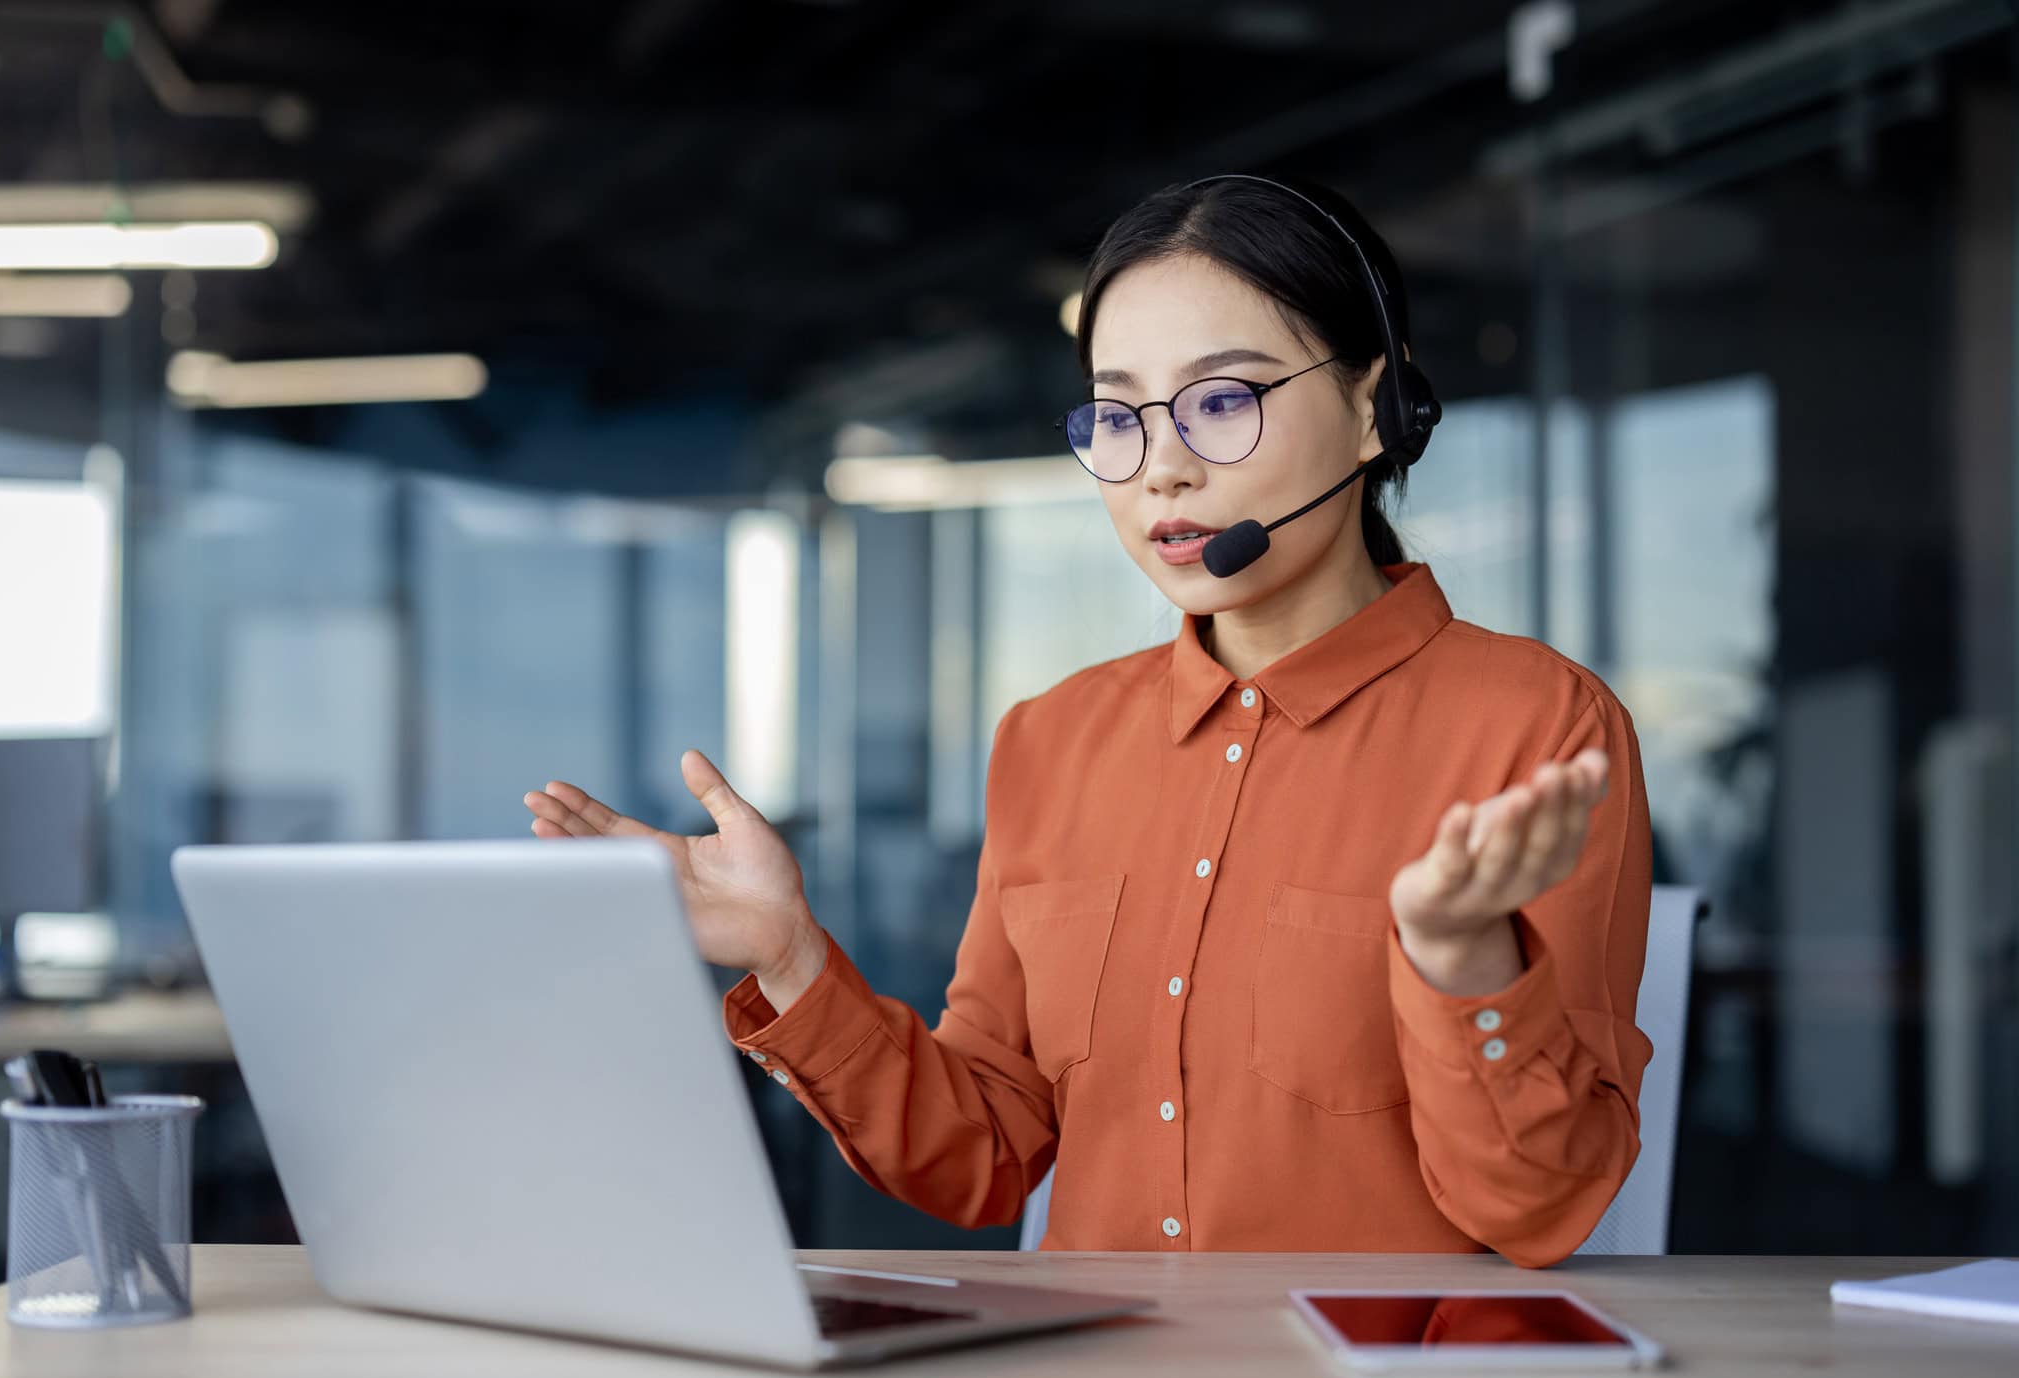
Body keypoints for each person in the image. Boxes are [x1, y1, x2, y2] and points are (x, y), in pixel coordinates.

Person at [523, 175, 1651, 1269]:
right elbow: (981, 1154)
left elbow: (1537, 1210)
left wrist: (1461, 960)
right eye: (1117, 416)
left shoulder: (1535, 728)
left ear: (1372, 409)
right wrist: (789, 956)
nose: (1158, 469)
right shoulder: (1049, 742)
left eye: (1222, 402)